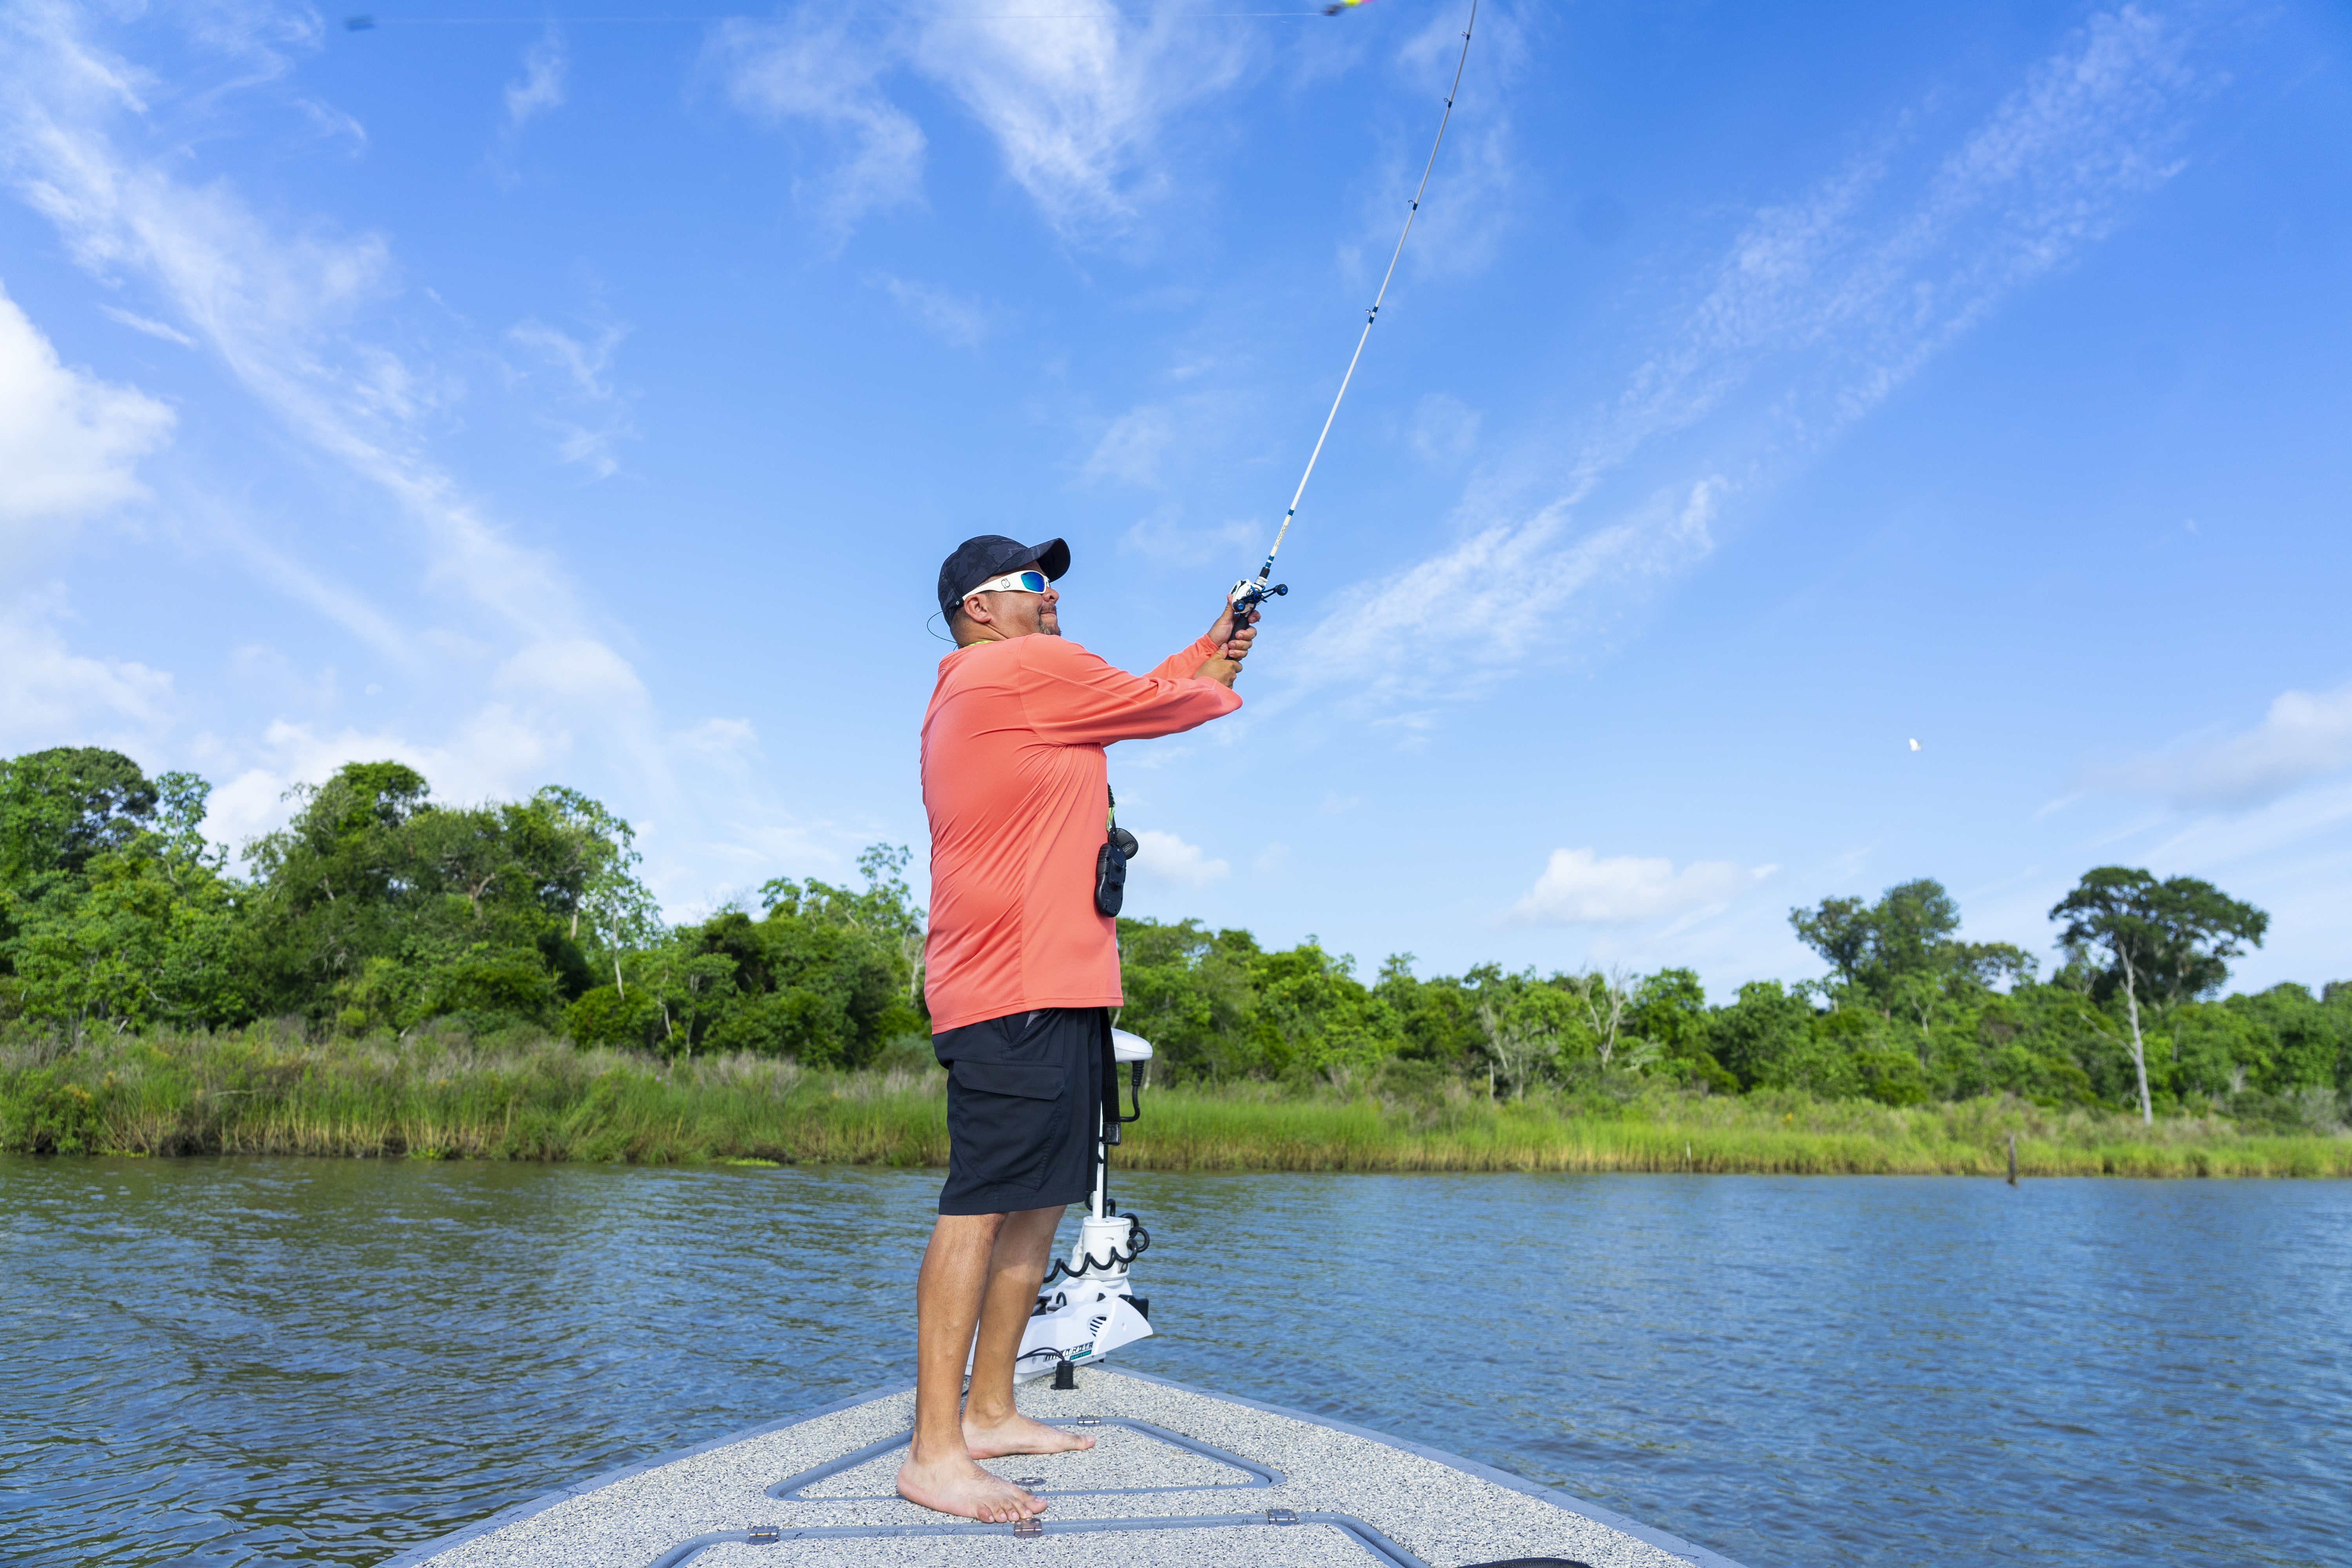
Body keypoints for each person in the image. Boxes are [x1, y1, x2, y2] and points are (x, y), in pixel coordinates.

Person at [895, 534, 1256, 1522]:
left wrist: (1214, 643)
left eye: (1052, 580)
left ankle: (990, 1410)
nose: (1050, 593)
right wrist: (1214, 664)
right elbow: (1166, 702)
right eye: (1031, 580)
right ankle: (933, 1452)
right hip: (1011, 988)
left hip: (1059, 985)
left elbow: (1153, 688)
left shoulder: (1028, 685)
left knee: (1040, 1199)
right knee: (981, 1202)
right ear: (978, 608)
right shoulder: (1013, 672)